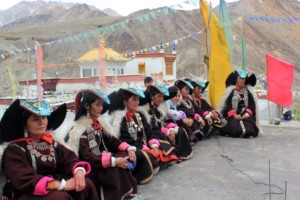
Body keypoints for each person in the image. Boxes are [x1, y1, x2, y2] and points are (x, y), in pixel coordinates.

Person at [0, 99, 98, 200]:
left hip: (55, 184)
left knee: (85, 185)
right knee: (59, 197)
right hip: (27, 191)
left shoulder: (51, 143)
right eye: (35, 119)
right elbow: (22, 177)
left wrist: (79, 172)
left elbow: (69, 158)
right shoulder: (14, 149)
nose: (41, 122)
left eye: (44, 117)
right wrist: (58, 185)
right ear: (25, 124)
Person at [66, 89, 139, 199]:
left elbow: (113, 141)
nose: (100, 108)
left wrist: (129, 148)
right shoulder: (80, 129)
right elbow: (86, 156)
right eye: (97, 105)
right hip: (91, 166)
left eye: (102, 105)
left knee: (124, 156)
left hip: (101, 159)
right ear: (87, 105)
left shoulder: (100, 123)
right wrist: (112, 161)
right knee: (113, 169)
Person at [108, 88, 178, 170]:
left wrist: (153, 145)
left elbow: (149, 131)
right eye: (134, 100)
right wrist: (143, 147)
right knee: (144, 155)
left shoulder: (139, 115)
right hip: (132, 147)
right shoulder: (119, 119)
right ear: (125, 101)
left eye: (138, 99)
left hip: (143, 144)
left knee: (159, 147)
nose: (137, 102)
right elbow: (125, 139)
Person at [139, 83, 192, 161]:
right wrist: (166, 131)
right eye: (159, 96)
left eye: (162, 96)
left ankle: (180, 153)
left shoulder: (161, 107)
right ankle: (172, 153)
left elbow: (167, 120)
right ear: (151, 96)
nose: (161, 99)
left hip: (161, 130)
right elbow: (152, 128)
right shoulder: (145, 110)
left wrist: (171, 129)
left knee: (180, 130)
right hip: (152, 134)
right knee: (160, 134)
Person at [218, 70, 259, 138]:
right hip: (233, 115)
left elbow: (252, 105)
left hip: (245, 115)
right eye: (240, 78)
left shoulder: (249, 92)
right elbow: (227, 106)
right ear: (236, 79)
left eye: (243, 79)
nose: (241, 80)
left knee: (249, 129)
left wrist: (247, 114)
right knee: (234, 128)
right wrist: (234, 115)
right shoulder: (230, 92)